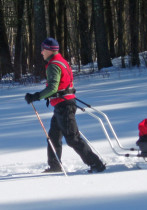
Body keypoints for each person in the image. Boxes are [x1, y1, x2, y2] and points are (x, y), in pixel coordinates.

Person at [25, 38, 105, 173]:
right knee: (54, 136)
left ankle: (96, 164)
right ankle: (55, 165)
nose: (41, 52)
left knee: (73, 138)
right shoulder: (61, 61)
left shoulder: (53, 65)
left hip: (64, 106)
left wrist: (36, 96)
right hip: (63, 104)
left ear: (50, 50)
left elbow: (52, 88)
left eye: (43, 49)